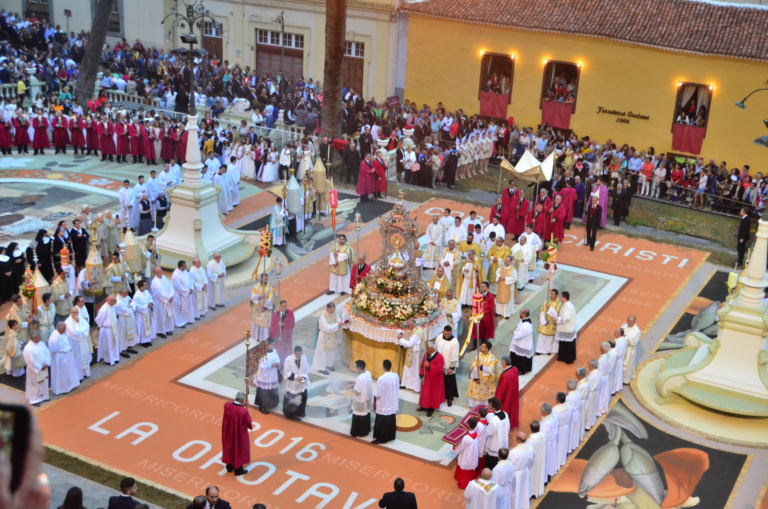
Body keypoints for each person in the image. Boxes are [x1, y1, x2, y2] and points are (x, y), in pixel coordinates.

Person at [221, 392, 255, 476]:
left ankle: (229, 467)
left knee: (229, 447)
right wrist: (245, 407)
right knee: (238, 449)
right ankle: (238, 470)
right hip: (238, 434)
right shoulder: (243, 411)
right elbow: (249, 423)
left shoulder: (227, 405)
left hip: (228, 431)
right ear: (243, 400)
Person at [48, 322, 80, 395]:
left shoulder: (62, 333)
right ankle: (61, 389)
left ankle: (69, 386)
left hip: (66, 356)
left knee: (68, 372)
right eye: (64, 329)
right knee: (61, 374)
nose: (65, 330)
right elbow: (52, 350)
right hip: (60, 358)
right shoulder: (54, 337)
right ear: (60, 329)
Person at [311, 302, 343, 374]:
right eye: (332, 310)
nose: (333, 312)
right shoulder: (323, 316)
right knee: (323, 352)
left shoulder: (333, 313)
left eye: (334, 310)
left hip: (332, 335)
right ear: (328, 309)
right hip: (324, 336)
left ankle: (329, 364)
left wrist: (343, 322)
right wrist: (337, 324)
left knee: (331, 351)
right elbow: (326, 328)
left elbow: (338, 320)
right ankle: (321, 368)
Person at [372, 359, 399, 445]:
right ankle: (390, 436)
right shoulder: (396, 376)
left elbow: (377, 394)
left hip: (383, 404)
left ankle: (381, 439)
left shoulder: (381, 379)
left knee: (382, 422)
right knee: (390, 420)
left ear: (383, 367)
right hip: (392, 403)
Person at [467, 341, 500, 407]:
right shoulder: (478, 355)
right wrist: (476, 378)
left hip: (486, 380)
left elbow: (491, 370)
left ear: (486, 349)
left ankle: (483, 406)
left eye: (482, 347)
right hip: (477, 378)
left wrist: (481, 366)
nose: (480, 347)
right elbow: (474, 366)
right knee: (475, 392)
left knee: (484, 394)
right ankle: (473, 405)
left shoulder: (492, 358)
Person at [23, 331, 50, 406]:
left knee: (44, 382)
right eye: (38, 337)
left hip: (44, 367)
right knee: (35, 385)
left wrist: (47, 363)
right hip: (35, 370)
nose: (40, 338)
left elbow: (47, 353)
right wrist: (40, 367)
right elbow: (30, 361)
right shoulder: (28, 348)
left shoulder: (41, 343)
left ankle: (45, 396)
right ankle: (34, 400)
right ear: (34, 338)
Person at [417, 341, 444, 416]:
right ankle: (423, 406)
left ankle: (430, 409)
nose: (426, 349)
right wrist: (422, 375)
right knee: (424, 392)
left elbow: (439, 369)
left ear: (432, 348)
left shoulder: (440, 357)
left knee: (432, 394)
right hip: (426, 377)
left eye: (427, 347)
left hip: (434, 379)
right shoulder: (426, 354)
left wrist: (429, 366)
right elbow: (423, 364)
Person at [254, 338, 280, 414]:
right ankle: (262, 406)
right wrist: (271, 365)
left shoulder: (274, 351)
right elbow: (262, 365)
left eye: (274, 344)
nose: (274, 346)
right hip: (264, 376)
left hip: (272, 374)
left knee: (272, 389)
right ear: (268, 345)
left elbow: (278, 359)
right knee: (263, 391)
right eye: (273, 345)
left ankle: (271, 404)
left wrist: (278, 363)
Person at [283, 345, 309, 421]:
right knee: (292, 399)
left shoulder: (304, 358)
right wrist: (296, 377)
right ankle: (292, 415)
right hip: (292, 383)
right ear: (294, 353)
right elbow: (286, 372)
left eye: (300, 354)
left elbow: (306, 371)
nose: (299, 356)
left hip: (301, 382)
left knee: (302, 397)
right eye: (298, 354)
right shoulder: (288, 359)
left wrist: (303, 378)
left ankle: (300, 412)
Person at [484, 397, 510, 471]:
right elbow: (508, 427)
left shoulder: (494, 420)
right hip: (503, 442)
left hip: (494, 445)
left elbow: (489, 433)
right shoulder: (505, 414)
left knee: (491, 466)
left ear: (492, 407)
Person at [509, 433, 534, 509]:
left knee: (516, 492)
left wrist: (510, 452)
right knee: (524, 491)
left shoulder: (514, 452)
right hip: (525, 471)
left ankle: (516, 506)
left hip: (516, 474)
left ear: (517, 440)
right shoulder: (529, 447)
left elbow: (510, 463)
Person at [495, 356, 520, 429]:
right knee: (512, 410)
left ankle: (504, 427)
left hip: (506, 397)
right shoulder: (515, 369)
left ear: (503, 363)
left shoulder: (505, 375)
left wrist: (497, 401)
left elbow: (501, 390)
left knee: (505, 411)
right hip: (513, 394)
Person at [397, 319, 422, 393]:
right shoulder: (418, 329)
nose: (408, 327)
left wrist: (400, 339)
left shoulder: (416, 333)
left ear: (412, 324)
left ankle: (415, 386)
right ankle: (406, 384)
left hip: (415, 354)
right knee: (409, 369)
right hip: (412, 352)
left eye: (408, 325)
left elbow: (409, 344)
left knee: (412, 370)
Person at [454, 418, 479, 489]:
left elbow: (461, 447)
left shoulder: (467, 437)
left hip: (467, 455)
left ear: (469, 425)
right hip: (473, 453)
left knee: (465, 468)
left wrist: (456, 445)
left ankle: (462, 484)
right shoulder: (475, 433)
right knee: (470, 467)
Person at [250, 273, 276, 342]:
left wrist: (264, 308)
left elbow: (271, 299)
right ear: (261, 279)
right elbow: (252, 296)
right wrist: (259, 296)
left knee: (264, 325)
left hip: (265, 310)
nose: (266, 280)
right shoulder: (256, 287)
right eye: (264, 279)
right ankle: (257, 337)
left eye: (267, 279)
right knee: (257, 323)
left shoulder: (269, 288)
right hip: (257, 308)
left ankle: (264, 338)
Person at [351, 360, 373, 438]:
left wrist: (353, 387)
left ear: (358, 368)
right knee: (366, 414)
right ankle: (366, 430)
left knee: (358, 415)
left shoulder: (359, 378)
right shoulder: (368, 373)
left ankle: (358, 432)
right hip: (367, 398)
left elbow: (357, 392)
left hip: (361, 399)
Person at [151, 267, 175, 338]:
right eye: (158, 272)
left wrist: (171, 295)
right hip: (160, 302)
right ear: (155, 273)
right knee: (160, 317)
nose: (160, 273)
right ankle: (160, 331)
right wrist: (168, 298)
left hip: (168, 300)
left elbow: (170, 287)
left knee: (167, 315)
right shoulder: (154, 282)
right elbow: (158, 293)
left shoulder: (164, 277)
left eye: (161, 271)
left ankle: (167, 329)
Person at [535, 289, 561, 355]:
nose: (551, 295)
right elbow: (542, 311)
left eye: (552, 294)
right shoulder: (546, 301)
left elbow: (556, 315)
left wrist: (550, 308)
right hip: (544, 322)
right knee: (541, 337)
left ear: (556, 295)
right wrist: (543, 321)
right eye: (550, 294)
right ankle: (539, 350)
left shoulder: (559, 304)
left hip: (552, 323)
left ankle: (548, 351)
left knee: (549, 338)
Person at [510, 308, 533, 376]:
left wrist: (514, 332)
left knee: (521, 358)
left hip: (523, 344)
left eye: (520, 313)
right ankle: (515, 368)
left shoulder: (527, 325)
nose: (519, 314)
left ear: (523, 314)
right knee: (516, 355)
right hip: (519, 343)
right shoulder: (523, 321)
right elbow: (519, 328)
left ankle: (522, 370)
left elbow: (521, 335)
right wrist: (516, 329)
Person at [555, 291, 577, 364]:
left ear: (564, 297)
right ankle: (562, 357)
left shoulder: (569, 306)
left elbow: (567, 318)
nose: (559, 298)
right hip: (564, 328)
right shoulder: (565, 305)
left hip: (567, 328)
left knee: (568, 345)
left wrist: (557, 319)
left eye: (561, 296)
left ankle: (568, 359)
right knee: (563, 343)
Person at [172, 261, 195, 328]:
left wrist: (191, 288)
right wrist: (187, 291)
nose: (186, 267)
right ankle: (180, 323)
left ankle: (188, 319)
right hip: (180, 294)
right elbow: (178, 286)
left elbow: (190, 280)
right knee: (180, 309)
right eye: (184, 266)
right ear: (180, 267)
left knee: (188, 307)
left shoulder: (185, 272)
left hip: (188, 293)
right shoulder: (175, 274)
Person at [552, 392, 572, 468]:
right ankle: (562, 460)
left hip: (558, 430)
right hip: (565, 427)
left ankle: (556, 464)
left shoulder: (555, 410)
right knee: (563, 445)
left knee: (558, 447)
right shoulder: (569, 406)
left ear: (557, 400)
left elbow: (553, 422)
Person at [539, 402, 558, 480]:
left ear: (543, 412)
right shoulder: (553, 417)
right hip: (552, 441)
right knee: (550, 460)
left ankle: (545, 479)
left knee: (545, 461)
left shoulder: (544, 424)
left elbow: (542, 436)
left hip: (547, 443)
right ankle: (549, 475)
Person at [527, 421, 547, 498]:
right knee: (538, 474)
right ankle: (537, 491)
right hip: (541, 459)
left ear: (531, 429)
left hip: (533, 462)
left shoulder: (530, 441)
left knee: (532, 477)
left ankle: (532, 492)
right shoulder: (543, 436)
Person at [621, 315, 641, 384]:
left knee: (628, 365)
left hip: (630, 350)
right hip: (623, 349)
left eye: (632, 321)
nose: (629, 323)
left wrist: (626, 338)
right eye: (628, 321)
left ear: (634, 322)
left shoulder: (637, 331)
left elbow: (634, 342)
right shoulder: (623, 326)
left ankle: (626, 380)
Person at [565, 380, 582, 454]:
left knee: (571, 431)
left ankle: (569, 448)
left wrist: (565, 396)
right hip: (577, 413)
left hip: (571, 415)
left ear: (568, 387)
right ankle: (574, 445)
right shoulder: (577, 392)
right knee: (575, 430)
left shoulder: (568, 397)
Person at [597, 342, 612, 415]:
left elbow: (599, 370)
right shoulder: (609, 357)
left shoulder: (601, 360)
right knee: (604, 394)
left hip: (601, 379)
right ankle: (603, 408)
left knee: (600, 395)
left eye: (600, 346)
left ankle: (598, 409)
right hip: (606, 378)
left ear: (603, 349)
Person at [586, 360, 601, 429]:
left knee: (589, 409)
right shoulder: (599, 373)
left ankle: (587, 425)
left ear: (591, 366)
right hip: (596, 392)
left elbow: (588, 387)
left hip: (591, 394)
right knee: (593, 407)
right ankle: (592, 421)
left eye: (589, 365)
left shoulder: (592, 376)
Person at [612, 329, 628, 394]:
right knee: (617, 375)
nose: (614, 333)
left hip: (616, 360)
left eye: (615, 332)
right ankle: (616, 387)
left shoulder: (619, 343)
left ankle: (613, 390)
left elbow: (615, 352)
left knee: (614, 375)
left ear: (619, 334)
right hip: (619, 360)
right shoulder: (623, 339)